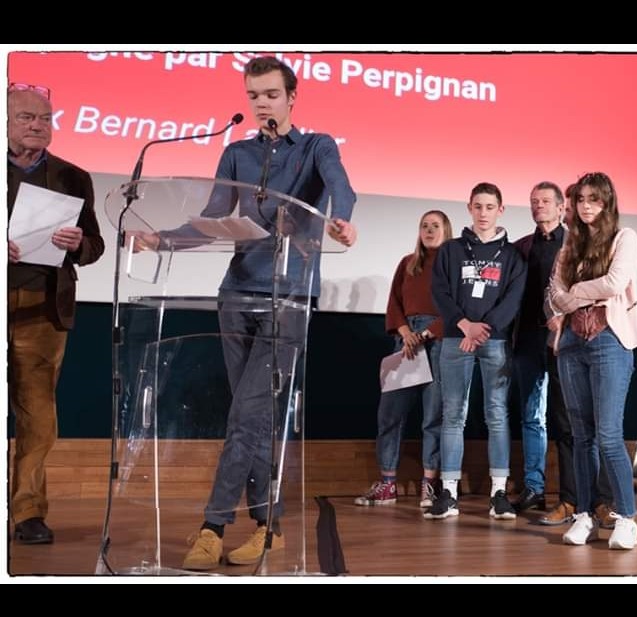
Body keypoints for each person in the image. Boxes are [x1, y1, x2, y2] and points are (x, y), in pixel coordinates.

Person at [155, 56, 358, 570]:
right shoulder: (237, 153)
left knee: (247, 417)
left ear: (293, 97)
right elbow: (215, 217)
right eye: (254, 95)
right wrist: (162, 239)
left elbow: (342, 188)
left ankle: (212, 524)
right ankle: (270, 527)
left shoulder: (317, 146)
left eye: (270, 94)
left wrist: (342, 221)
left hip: (288, 296)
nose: (261, 103)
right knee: (253, 418)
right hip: (237, 294)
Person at [7, 83, 105, 545]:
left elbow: (95, 244)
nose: (38, 125)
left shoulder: (72, 176)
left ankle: (26, 512)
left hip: (44, 308)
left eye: (45, 118)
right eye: (27, 117)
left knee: (38, 415)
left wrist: (78, 245)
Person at [552, 171, 637, 550]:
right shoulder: (568, 246)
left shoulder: (625, 238)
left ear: (607, 203)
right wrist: (572, 296)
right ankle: (585, 515)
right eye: (580, 199)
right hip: (572, 342)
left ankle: (626, 517)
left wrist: (575, 292)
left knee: (608, 434)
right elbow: (553, 295)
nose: (585, 205)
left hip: (609, 340)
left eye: (594, 199)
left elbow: (614, 281)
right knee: (581, 436)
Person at [425, 182, 526, 520]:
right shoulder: (451, 250)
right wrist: (464, 325)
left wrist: (482, 330)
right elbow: (439, 291)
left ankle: (499, 492)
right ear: (469, 207)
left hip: (494, 341)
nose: (483, 213)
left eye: (489, 207)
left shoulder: (512, 256)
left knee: (497, 413)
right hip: (456, 339)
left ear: (501, 210)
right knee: (453, 413)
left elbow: (513, 299)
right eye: (478, 206)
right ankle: (449, 492)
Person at [354, 211, 453, 509]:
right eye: (424, 226)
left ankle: (429, 485)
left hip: (436, 341)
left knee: (433, 415)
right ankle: (387, 484)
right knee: (389, 415)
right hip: (406, 341)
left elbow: (456, 307)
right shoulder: (407, 263)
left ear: (446, 230)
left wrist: (424, 334)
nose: (429, 230)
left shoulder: (452, 265)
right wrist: (406, 333)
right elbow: (394, 303)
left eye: (436, 226)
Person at [511, 182, 566, 516]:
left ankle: (575, 492)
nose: (539, 206)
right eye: (534, 201)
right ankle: (534, 488)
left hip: (565, 341)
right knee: (532, 415)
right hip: (528, 339)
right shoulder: (520, 247)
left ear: (561, 207)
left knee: (568, 419)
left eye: (545, 201)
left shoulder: (576, 243)